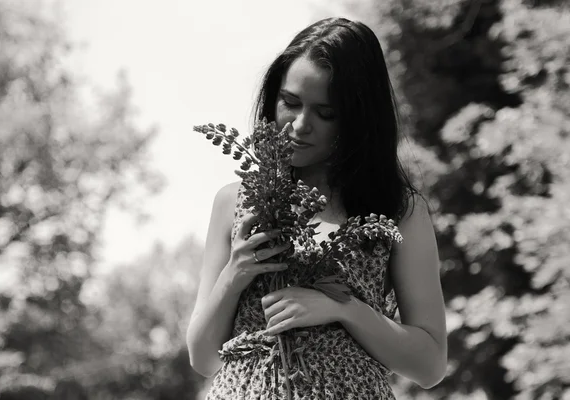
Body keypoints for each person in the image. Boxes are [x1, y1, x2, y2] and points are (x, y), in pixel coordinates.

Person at [186, 17, 447, 399]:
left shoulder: (399, 211)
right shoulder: (234, 202)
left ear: (358, 119)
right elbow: (203, 357)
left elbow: (430, 365)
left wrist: (344, 309)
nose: (300, 124)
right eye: (290, 103)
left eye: (326, 114)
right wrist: (236, 271)